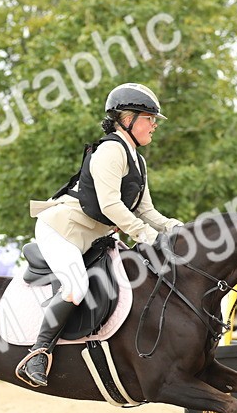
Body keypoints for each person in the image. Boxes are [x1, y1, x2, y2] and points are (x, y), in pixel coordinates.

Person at [19, 82, 184, 387]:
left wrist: (175, 228)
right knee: (76, 285)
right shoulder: (110, 150)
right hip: (62, 231)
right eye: (149, 118)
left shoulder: (139, 159)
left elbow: (146, 210)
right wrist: (146, 236)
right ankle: (38, 353)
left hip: (93, 238)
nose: (154, 125)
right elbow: (111, 205)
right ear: (127, 118)